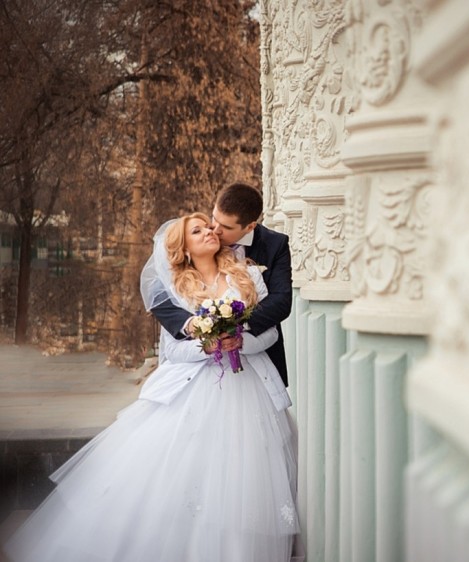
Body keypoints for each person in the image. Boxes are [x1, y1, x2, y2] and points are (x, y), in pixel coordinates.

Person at [4, 213, 300, 562]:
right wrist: (207, 346)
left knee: (242, 479)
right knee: (190, 478)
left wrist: (241, 342)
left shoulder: (246, 274)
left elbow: (270, 333)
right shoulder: (178, 290)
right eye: (198, 230)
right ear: (184, 249)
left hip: (248, 388)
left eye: (209, 227)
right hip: (194, 392)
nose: (210, 231)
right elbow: (173, 351)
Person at [152, 183, 293, 386]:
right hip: (198, 374)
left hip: (255, 367)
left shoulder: (273, 246)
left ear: (249, 227)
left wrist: (234, 326)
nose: (214, 231)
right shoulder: (185, 272)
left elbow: (280, 302)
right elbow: (158, 296)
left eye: (226, 227)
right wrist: (195, 326)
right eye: (214, 220)